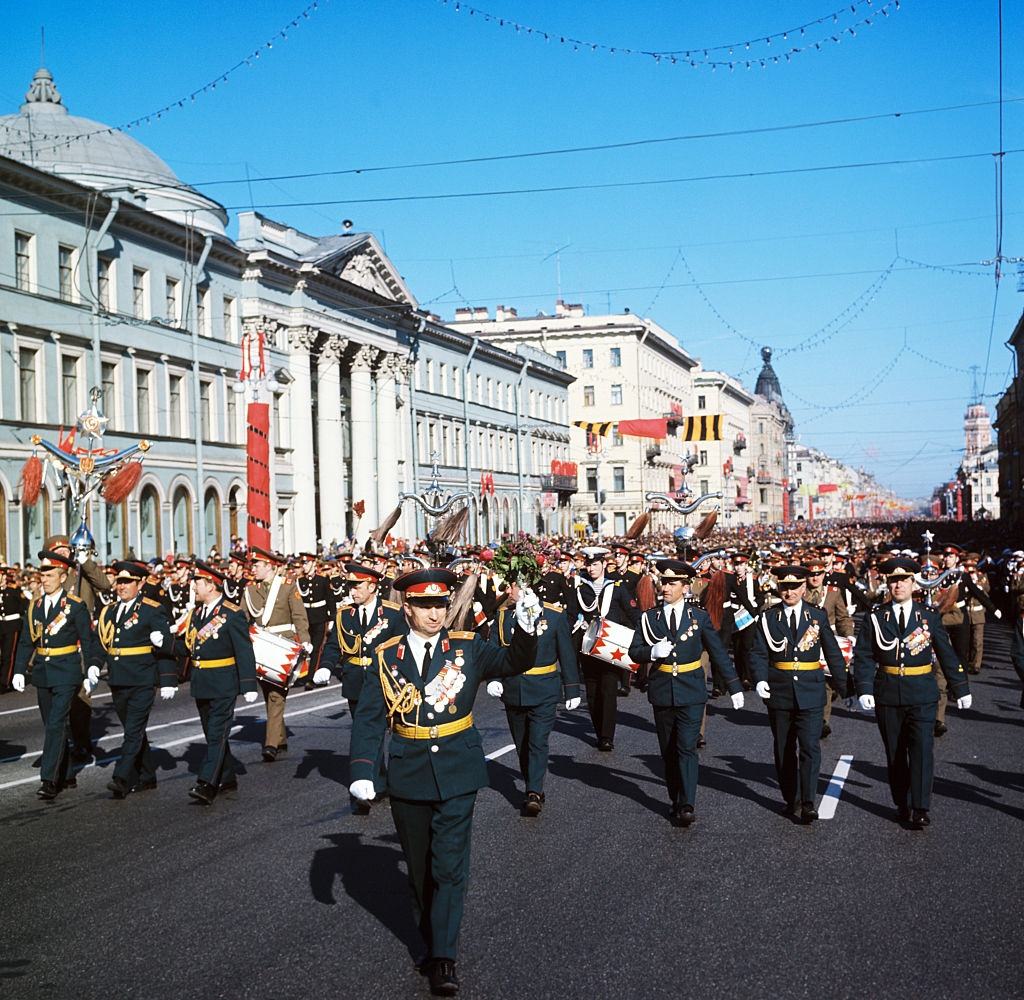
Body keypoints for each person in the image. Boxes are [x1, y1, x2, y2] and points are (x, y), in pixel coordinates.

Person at [348, 568, 540, 997]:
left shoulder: (467, 648)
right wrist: (362, 770)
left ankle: (444, 956)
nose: (435, 614)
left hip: (457, 767)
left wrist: (527, 625)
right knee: (419, 871)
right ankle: (431, 938)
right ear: (408, 609)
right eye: (425, 606)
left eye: (441, 605)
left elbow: (515, 661)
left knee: (449, 867)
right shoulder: (386, 656)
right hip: (408, 768)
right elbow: (368, 718)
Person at [852, 557, 971, 829]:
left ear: (913, 582)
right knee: (895, 753)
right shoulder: (876, 617)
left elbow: (945, 652)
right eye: (893, 580)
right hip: (888, 693)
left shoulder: (927, 616)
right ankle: (901, 803)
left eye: (903, 580)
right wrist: (864, 687)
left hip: (922, 693)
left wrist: (960, 687)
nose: (898, 585)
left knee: (922, 750)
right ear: (887, 583)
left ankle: (920, 807)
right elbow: (863, 655)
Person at [629, 559, 743, 827]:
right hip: (662, 690)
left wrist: (734, 686)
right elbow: (633, 651)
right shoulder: (649, 618)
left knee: (687, 747)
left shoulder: (699, 617)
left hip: (691, 689)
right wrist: (651, 652)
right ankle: (675, 797)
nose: (666, 587)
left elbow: (718, 653)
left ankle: (688, 803)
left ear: (685, 585)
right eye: (664, 582)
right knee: (668, 751)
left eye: (672, 583)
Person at [749, 565, 849, 824]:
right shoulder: (769, 617)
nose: (789, 591)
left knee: (809, 747)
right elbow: (758, 652)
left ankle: (808, 802)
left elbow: (832, 652)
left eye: (794, 587)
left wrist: (846, 687)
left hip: (811, 689)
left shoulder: (817, 616)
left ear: (804, 588)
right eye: (784, 586)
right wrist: (759, 679)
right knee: (783, 748)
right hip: (780, 691)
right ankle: (790, 798)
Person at [163, 560, 258, 804]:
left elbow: (244, 650)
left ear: (211, 585)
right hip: (202, 681)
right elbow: (189, 647)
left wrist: (248, 684)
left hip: (224, 682)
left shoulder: (231, 613)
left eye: (197, 583)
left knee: (217, 733)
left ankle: (207, 783)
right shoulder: (196, 614)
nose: (193, 588)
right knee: (212, 733)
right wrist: (163, 643)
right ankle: (227, 776)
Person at [486, 578, 581, 816]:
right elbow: (494, 651)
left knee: (538, 741)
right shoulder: (502, 617)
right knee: (522, 743)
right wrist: (494, 678)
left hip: (544, 689)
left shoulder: (554, 616)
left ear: (526, 587)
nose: (509, 590)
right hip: (513, 687)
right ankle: (533, 781)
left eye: (513, 586)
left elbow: (566, 654)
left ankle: (534, 792)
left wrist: (572, 688)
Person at [317, 561, 405, 814]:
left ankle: (385, 779)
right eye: (351, 586)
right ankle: (373, 782)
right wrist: (326, 665)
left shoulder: (391, 613)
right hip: (356, 681)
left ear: (372, 586)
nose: (352, 591)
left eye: (357, 586)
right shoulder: (344, 613)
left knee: (388, 732)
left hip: (385, 681)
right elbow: (334, 644)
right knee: (366, 732)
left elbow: (402, 647)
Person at [12, 550, 100, 800]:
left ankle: (49, 779)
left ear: (63, 578)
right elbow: (28, 641)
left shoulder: (74, 606)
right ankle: (68, 771)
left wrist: (91, 666)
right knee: (53, 724)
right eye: (43, 574)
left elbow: (88, 638)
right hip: (42, 672)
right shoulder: (35, 606)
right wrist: (19, 670)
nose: (44, 579)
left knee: (55, 724)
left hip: (66, 671)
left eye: (50, 575)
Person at [91, 561, 176, 798]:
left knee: (132, 731)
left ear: (140, 583)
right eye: (119, 581)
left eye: (127, 582)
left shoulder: (152, 609)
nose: (122, 586)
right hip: (118, 679)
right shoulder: (109, 610)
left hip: (142, 679)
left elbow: (165, 646)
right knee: (134, 730)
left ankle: (122, 777)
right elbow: (101, 643)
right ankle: (147, 775)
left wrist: (168, 679)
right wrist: (94, 667)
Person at [564, 547, 640, 751]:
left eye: (595, 564)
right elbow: (570, 615)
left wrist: (646, 632)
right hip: (587, 646)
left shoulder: (616, 587)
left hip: (609, 646)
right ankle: (599, 730)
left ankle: (607, 736)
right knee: (592, 693)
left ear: (604, 564)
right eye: (588, 564)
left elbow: (633, 613)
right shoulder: (580, 587)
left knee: (608, 690)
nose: (591, 568)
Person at [243, 546, 310, 762]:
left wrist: (305, 640)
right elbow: (242, 618)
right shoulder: (251, 590)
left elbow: (299, 616)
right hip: (260, 647)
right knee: (268, 692)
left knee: (276, 695)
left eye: (257, 565)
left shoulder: (287, 587)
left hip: (283, 648)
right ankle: (279, 737)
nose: (253, 568)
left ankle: (270, 744)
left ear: (269, 566)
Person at [297, 552, 336, 690]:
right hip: (306, 618)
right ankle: (301, 675)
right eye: (303, 563)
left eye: (306, 563)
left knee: (317, 649)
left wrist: (332, 618)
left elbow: (330, 599)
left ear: (313, 564)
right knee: (305, 647)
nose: (304, 566)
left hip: (320, 617)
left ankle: (311, 678)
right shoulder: (300, 582)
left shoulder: (323, 580)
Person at [0, 565, 26, 691]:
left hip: (12, 625)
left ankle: (5, 682)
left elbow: (22, 607)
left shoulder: (14, 591)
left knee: (8, 654)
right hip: (1, 624)